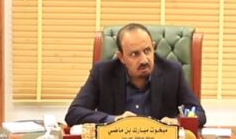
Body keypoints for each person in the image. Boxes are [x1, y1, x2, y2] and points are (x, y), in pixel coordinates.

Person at [65, 23, 205, 127]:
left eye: (147, 51)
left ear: (153, 47)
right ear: (121, 57)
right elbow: (74, 113)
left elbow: (199, 114)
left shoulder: (172, 71)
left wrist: (178, 122)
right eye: (134, 54)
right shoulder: (103, 73)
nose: (144, 60)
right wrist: (114, 120)